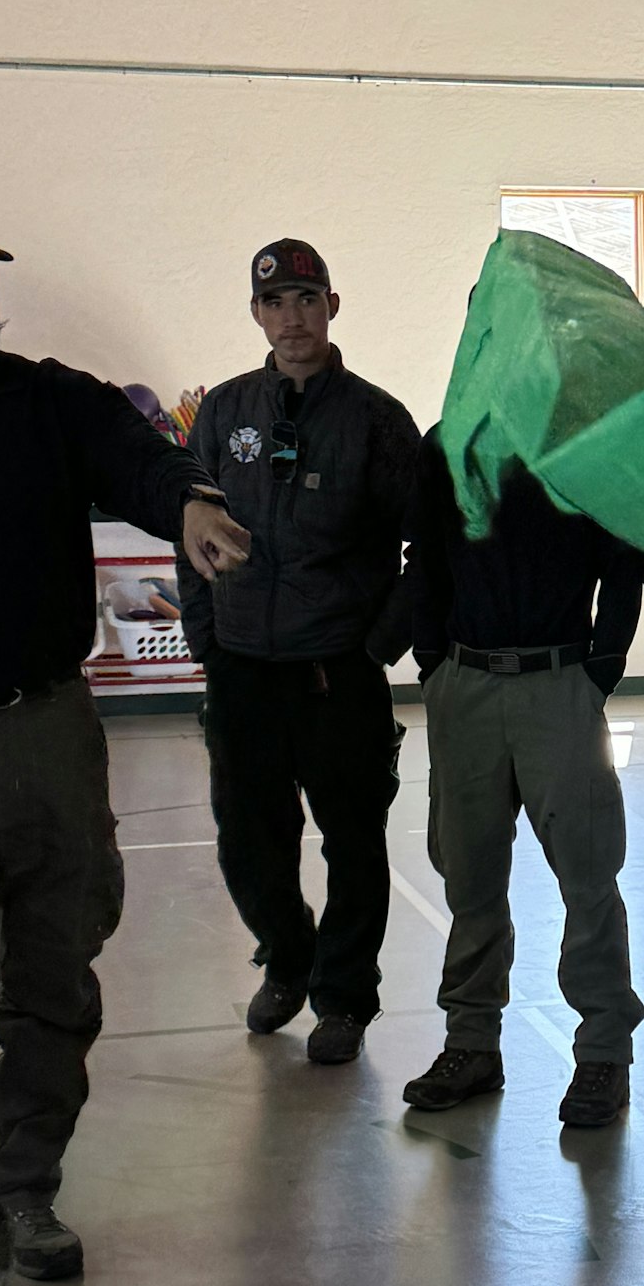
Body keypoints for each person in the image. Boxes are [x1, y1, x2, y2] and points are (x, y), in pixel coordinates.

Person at [0, 242, 250, 1286]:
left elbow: (140, 458)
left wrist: (189, 501)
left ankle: (23, 1187)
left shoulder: (50, 402)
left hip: (42, 725)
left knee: (56, 960)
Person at [179, 241, 420, 1065]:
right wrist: (208, 640)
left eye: (307, 300)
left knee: (353, 841)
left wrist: (376, 645)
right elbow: (191, 530)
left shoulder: (377, 420)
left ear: (332, 307)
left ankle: (344, 998)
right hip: (243, 665)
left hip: (336, 672)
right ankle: (288, 958)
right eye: (276, 303)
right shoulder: (225, 412)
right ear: (256, 314)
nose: (293, 318)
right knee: (248, 840)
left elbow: (428, 546)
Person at [401, 429, 644, 1129]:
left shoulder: (590, 445)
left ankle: (603, 1052)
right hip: (466, 686)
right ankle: (471, 1043)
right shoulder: (449, 443)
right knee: (470, 877)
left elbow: (622, 561)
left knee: (587, 873)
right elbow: (424, 558)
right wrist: (433, 664)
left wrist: (601, 669)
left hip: (559, 683)